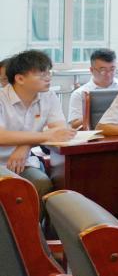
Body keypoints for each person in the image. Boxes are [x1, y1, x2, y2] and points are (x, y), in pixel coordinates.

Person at [0, 50, 73, 199]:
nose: (48, 78)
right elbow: (1, 136)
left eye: (49, 73)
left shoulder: (49, 96)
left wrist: (25, 146)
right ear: (20, 79)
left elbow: (60, 130)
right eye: (42, 75)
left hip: (24, 162)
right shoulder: (2, 99)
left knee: (41, 184)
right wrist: (44, 136)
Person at [67, 48, 118, 128]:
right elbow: (74, 125)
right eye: (103, 70)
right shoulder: (80, 93)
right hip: (95, 133)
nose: (108, 74)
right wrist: (93, 115)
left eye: (112, 69)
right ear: (91, 70)